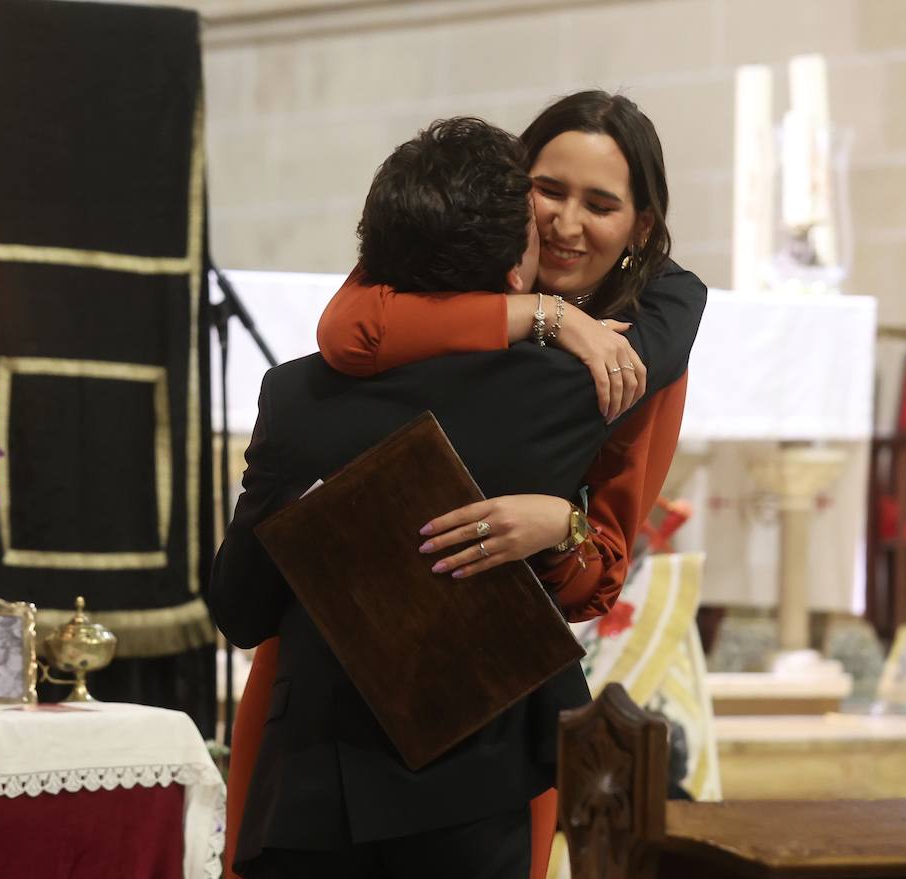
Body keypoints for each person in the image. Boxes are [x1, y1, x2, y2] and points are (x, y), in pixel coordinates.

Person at [218, 93, 706, 878]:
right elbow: (348, 329)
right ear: (514, 194)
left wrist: (562, 525)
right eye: (547, 191)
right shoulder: (553, 370)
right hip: (384, 710)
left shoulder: (633, 354)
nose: (566, 223)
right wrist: (543, 315)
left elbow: (599, 565)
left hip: (452, 701)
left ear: (640, 226)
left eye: (601, 204)